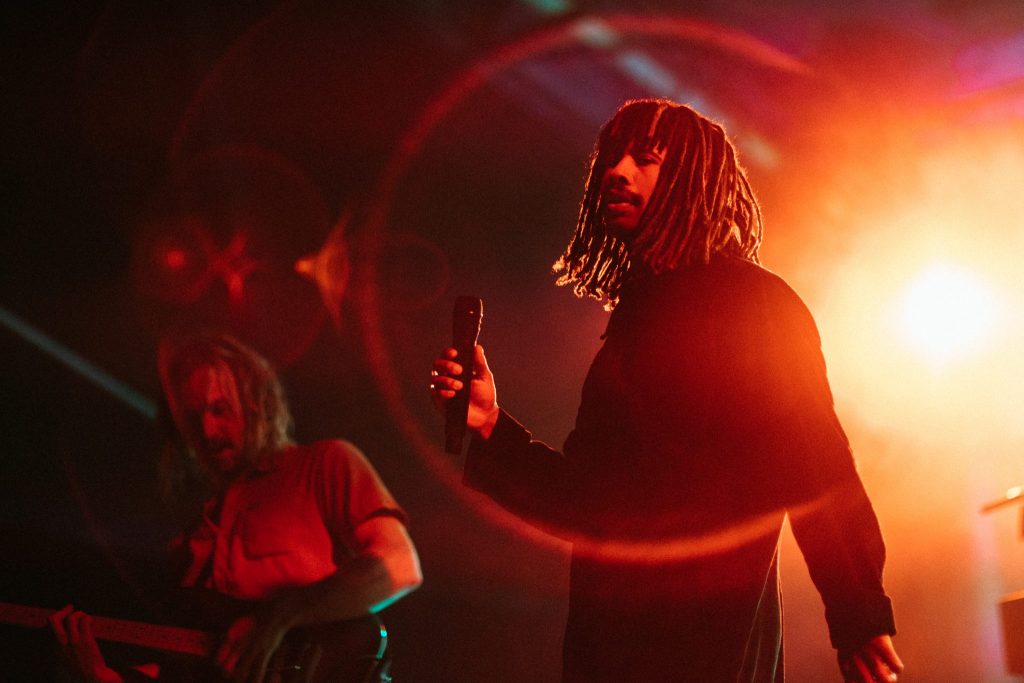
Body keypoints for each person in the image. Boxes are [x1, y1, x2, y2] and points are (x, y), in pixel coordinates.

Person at [431, 99, 902, 682]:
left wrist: (858, 612)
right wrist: (491, 425)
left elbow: (815, 464)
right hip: (609, 651)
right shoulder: (634, 324)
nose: (617, 171)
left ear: (693, 181)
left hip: (707, 651)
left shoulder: (754, 305)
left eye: (646, 160)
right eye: (612, 157)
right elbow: (589, 503)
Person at [51, 332, 422, 682]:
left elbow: (400, 565)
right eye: (195, 419)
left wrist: (278, 617)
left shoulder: (324, 464)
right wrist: (105, 678)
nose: (208, 432)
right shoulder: (193, 538)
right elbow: (192, 668)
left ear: (257, 401)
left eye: (220, 409)